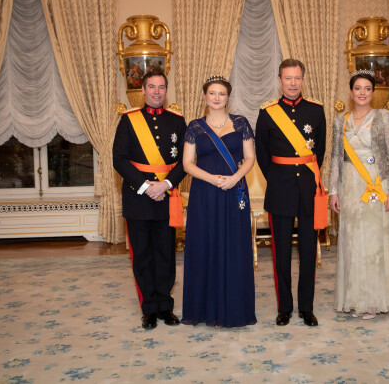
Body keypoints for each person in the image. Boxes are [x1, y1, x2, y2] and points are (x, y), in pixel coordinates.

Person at [113, 69, 186, 329]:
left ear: (166, 91)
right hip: (138, 199)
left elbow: (185, 161)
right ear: (142, 90)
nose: (157, 92)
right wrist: (146, 187)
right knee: (142, 255)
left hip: (166, 197)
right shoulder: (129, 120)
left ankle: (165, 306)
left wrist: (165, 184)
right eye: (152, 87)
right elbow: (119, 159)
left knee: (165, 254)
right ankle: (149, 308)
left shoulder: (177, 121)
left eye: (161, 87)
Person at [181, 75, 257, 328]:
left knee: (234, 246)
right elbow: (187, 164)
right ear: (205, 97)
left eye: (221, 94)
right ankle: (206, 309)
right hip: (205, 193)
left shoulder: (241, 123)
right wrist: (214, 180)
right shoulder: (194, 126)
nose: (216, 97)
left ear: (228, 97)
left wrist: (234, 178)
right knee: (206, 245)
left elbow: (249, 158)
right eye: (212, 93)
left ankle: (234, 308)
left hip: (235, 190)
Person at [255, 59, 326, 327]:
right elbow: (262, 153)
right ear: (280, 79)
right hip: (280, 188)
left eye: (297, 78)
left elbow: (320, 151)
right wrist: (275, 178)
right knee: (281, 253)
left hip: (308, 189)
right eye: (288, 78)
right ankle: (284, 307)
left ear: (302, 80)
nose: (293, 83)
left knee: (309, 251)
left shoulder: (316, 111)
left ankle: (306, 308)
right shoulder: (268, 113)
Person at [329, 70, 389, 320]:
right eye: (358, 88)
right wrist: (334, 190)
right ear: (351, 92)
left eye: (367, 88)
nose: (362, 93)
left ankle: (372, 299)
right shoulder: (341, 120)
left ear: (373, 92)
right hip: (349, 185)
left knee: (373, 240)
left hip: (375, 184)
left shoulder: (384, 117)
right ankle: (353, 298)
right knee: (351, 241)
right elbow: (335, 159)